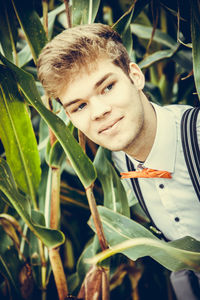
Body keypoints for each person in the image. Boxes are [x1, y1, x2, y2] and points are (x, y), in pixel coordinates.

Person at [37, 23, 200, 300]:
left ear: (135, 76)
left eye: (108, 87)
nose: (99, 112)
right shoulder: (116, 163)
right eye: (80, 106)